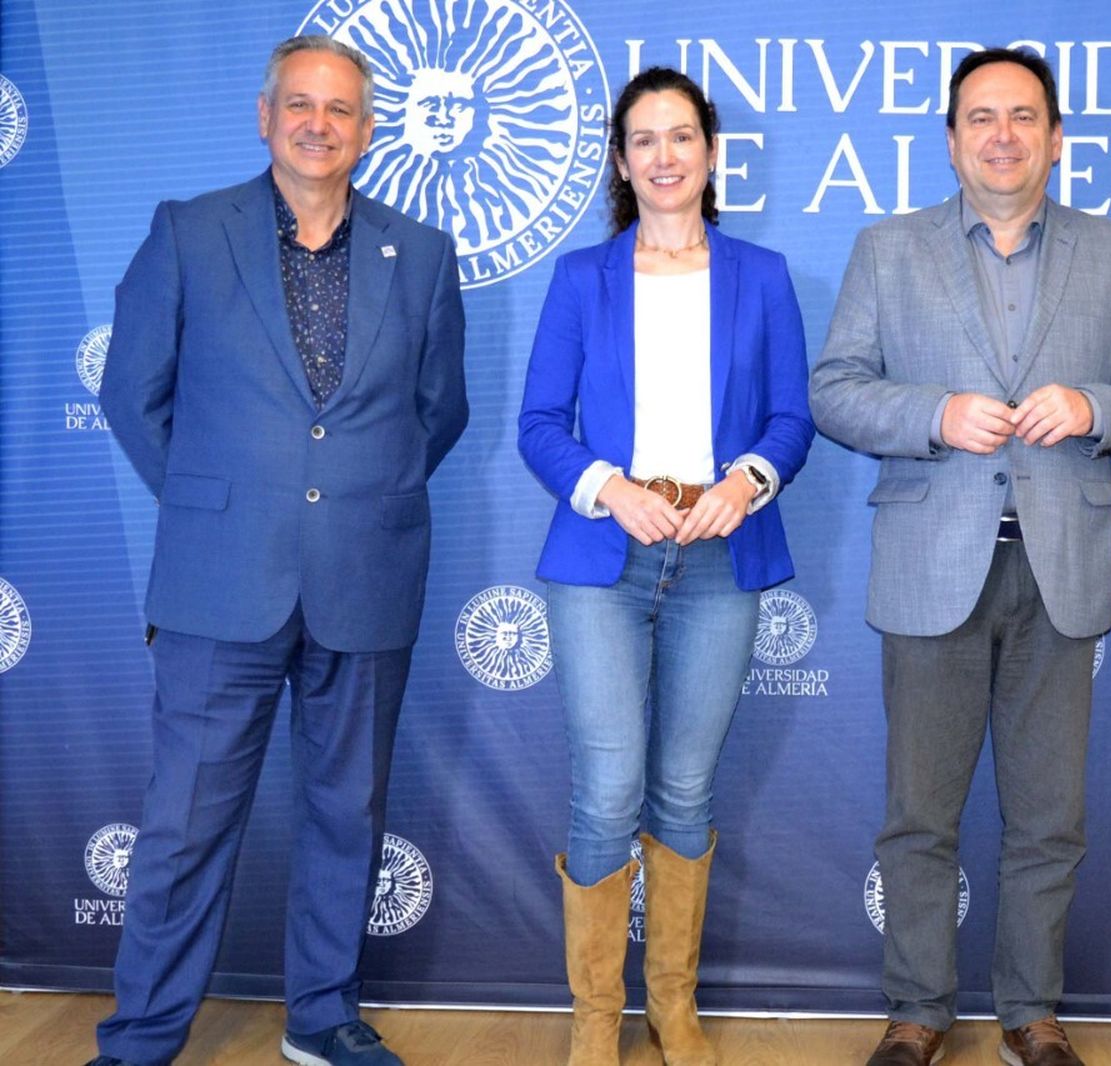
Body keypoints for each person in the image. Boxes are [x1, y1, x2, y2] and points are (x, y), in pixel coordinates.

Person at [90, 34, 468, 1066]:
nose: (318, 124)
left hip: (367, 573)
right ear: (264, 118)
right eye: (298, 104)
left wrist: (347, 500)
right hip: (221, 583)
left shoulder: (421, 254)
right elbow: (133, 393)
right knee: (183, 829)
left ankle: (322, 1017)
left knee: (348, 816)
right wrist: (217, 503)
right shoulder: (187, 231)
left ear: (368, 129)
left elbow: (438, 413)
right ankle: (141, 1035)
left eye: (340, 109)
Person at [810, 47, 1111, 1066]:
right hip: (932, 567)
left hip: (1060, 570)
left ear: (1056, 138)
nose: (1003, 135)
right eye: (982, 117)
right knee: (918, 817)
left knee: (1048, 819)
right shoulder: (887, 250)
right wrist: (932, 412)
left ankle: (1033, 1011)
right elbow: (834, 389)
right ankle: (917, 1010)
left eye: (1024, 116)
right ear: (951, 138)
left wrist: (1093, 406)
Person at [517, 66, 813, 1066]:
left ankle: (670, 1007)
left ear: (711, 151)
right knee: (607, 787)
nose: (664, 155)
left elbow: (791, 417)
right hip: (602, 556)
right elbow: (538, 426)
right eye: (642, 139)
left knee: (684, 788)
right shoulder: (578, 279)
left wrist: (749, 480)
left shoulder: (763, 276)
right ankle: (596, 1018)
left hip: (721, 555)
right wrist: (610, 486)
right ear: (620, 160)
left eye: (680, 135)